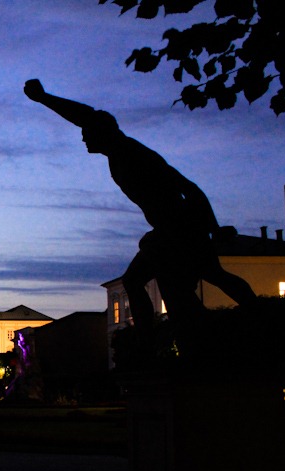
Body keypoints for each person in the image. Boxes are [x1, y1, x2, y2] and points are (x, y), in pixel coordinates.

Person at [23, 79, 254, 333]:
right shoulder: (119, 153)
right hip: (172, 229)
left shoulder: (131, 153)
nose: (82, 138)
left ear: (102, 133)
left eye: (86, 133)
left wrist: (213, 228)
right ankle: (253, 317)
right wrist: (44, 99)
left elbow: (189, 187)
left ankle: (148, 343)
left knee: (146, 281)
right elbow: (84, 116)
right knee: (202, 279)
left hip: (180, 228)